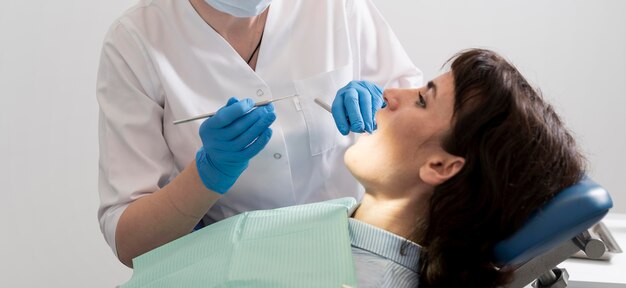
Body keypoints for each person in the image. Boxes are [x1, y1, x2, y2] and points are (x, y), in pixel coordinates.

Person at [96, 0, 421, 267]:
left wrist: (383, 116)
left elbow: (435, 148)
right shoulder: (138, 42)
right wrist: (208, 174)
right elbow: (130, 243)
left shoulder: (336, 3)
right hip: (228, 271)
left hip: (356, 262)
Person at [120, 49, 586, 288]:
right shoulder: (342, 223)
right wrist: (204, 177)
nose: (390, 93)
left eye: (421, 99)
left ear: (441, 165)